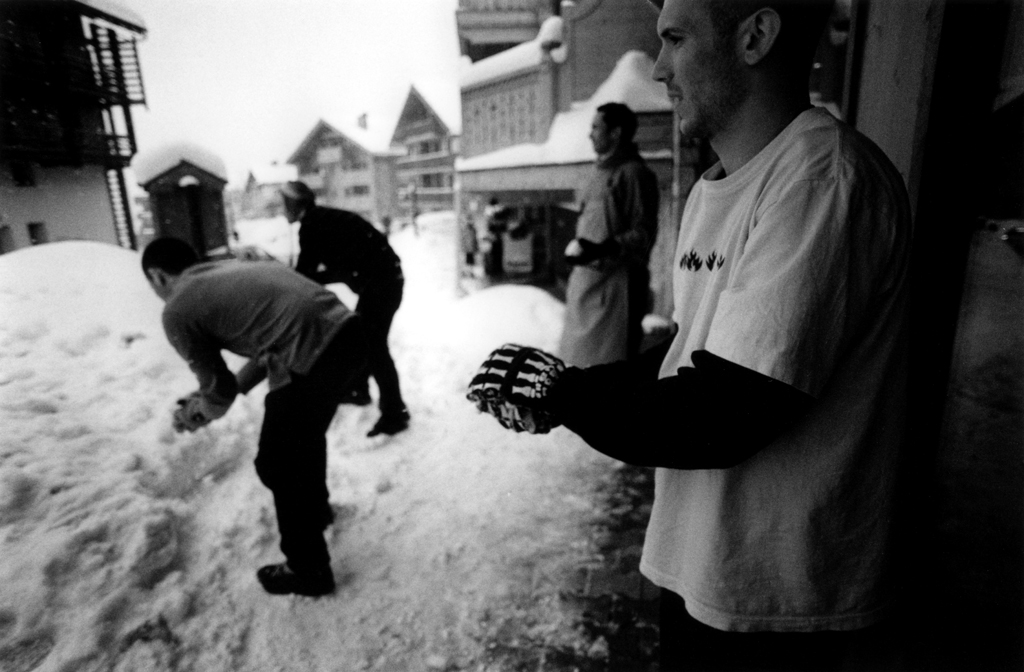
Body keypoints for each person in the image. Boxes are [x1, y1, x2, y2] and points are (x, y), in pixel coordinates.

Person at [467, 0, 912, 669]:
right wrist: (574, 385)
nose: (658, 67)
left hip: (779, 602)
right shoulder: (715, 189)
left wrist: (569, 399)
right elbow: (687, 362)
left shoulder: (822, 179)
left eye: (675, 39)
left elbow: (726, 408)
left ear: (756, 35)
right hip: (704, 565)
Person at [141, 237, 369, 597]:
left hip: (311, 352)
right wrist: (212, 396)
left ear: (157, 275)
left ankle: (308, 569)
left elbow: (219, 393)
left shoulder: (177, 309)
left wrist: (195, 414)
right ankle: (316, 513)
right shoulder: (235, 269)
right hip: (350, 335)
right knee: (302, 439)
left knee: (278, 464)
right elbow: (267, 349)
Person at [281, 181, 410, 437]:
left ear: (295, 204)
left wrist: (283, 279)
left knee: (375, 348)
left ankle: (395, 413)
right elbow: (333, 268)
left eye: (284, 204)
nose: (282, 210)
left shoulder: (312, 226)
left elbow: (305, 275)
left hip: (381, 285)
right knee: (363, 339)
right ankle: (358, 390)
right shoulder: (323, 218)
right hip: (384, 281)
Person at [558, 102, 660, 367]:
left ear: (616, 133)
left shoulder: (635, 174)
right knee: (576, 371)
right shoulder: (596, 173)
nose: (589, 134)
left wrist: (605, 249)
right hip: (585, 288)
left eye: (595, 127)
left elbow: (644, 233)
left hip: (617, 293)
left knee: (609, 377)